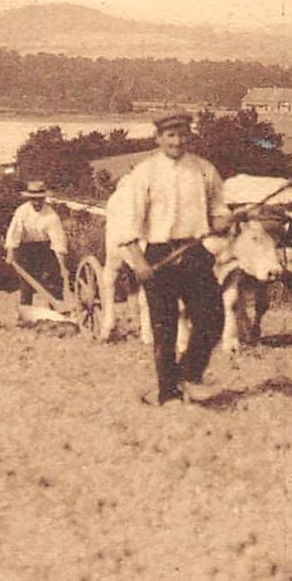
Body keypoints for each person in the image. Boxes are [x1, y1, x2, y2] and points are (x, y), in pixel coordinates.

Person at [117, 111, 229, 405]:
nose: (177, 142)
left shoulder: (204, 170)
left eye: (181, 135)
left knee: (212, 317)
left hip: (194, 253)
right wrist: (138, 261)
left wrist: (221, 220)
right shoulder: (145, 173)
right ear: (158, 138)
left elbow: (219, 207)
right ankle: (168, 393)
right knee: (164, 329)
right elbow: (129, 222)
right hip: (159, 257)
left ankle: (189, 375)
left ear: (188, 136)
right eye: (170, 136)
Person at [4, 181, 69, 304]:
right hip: (26, 249)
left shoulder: (51, 216)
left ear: (44, 199)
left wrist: (62, 266)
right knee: (26, 282)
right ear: (29, 199)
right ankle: (26, 313)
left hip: (45, 248)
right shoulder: (22, 212)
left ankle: (58, 309)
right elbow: (14, 233)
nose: (37, 203)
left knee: (53, 279)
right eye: (34, 200)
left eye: (40, 200)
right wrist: (10, 252)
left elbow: (58, 241)